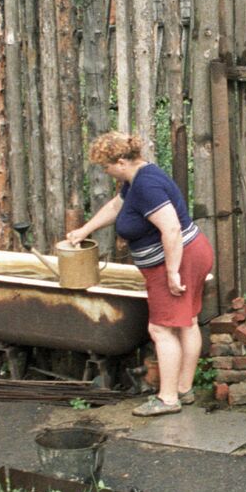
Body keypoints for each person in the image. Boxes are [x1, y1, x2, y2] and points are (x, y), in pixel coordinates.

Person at [63, 132, 213, 416]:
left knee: (161, 328)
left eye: (106, 167)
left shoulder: (145, 186)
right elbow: (116, 206)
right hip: (194, 250)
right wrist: (85, 230)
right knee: (187, 322)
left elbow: (170, 229)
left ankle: (168, 399)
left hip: (177, 258)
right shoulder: (139, 177)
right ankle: (183, 388)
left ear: (121, 161)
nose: (105, 173)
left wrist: (171, 272)